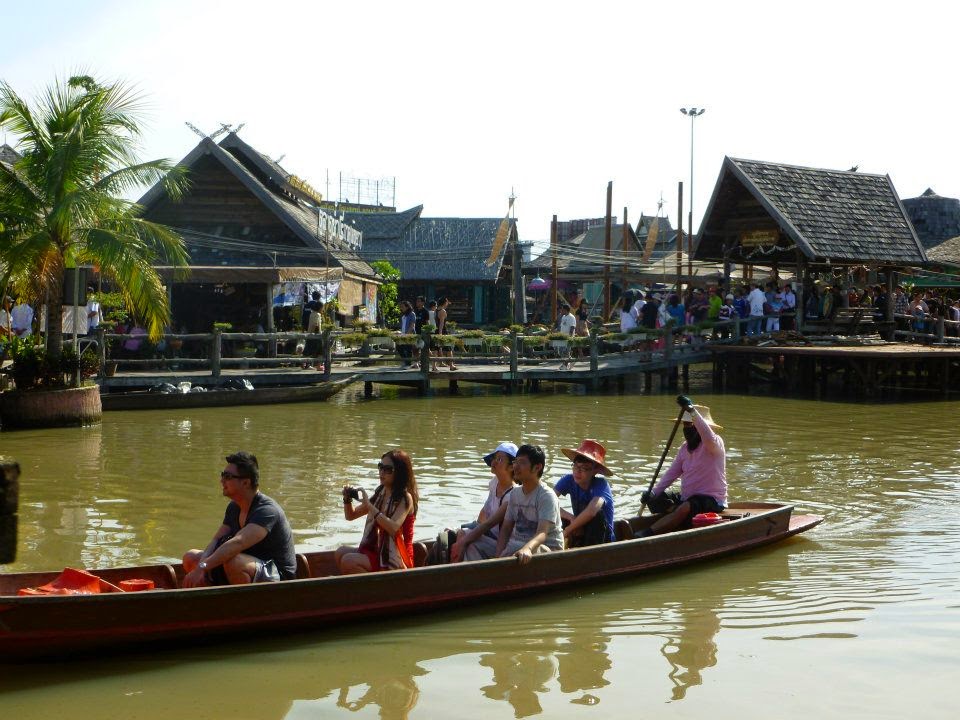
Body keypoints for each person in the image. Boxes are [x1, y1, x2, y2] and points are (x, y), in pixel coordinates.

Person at [182, 451, 296, 587]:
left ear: (246, 483)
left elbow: (238, 543)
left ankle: (241, 600)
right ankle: (211, 596)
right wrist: (201, 565)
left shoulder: (267, 511)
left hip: (278, 576)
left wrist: (203, 567)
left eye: (228, 476)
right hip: (246, 564)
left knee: (233, 562)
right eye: (223, 475)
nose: (222, 480)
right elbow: (216, 540)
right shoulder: (234, 507)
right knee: (191, 557)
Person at [455, 444, 563, 564]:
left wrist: (527, 548)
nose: (516, 466)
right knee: (472, 544)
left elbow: (542, 533)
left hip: (546, 549)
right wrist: (498, 557)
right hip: (517, 546)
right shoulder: (515, 494)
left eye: (522, 462)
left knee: (520, 549)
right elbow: (506, 529)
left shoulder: (546, 495)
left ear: (537, 467)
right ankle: (479, 573)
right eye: (516, 462)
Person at [640, 396, 727, 536]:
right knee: (655, 499)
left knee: (687, 506)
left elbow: (707, 435)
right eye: (685, 425)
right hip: (688, 498)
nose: (687, 429)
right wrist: (653, 493)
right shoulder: (684, 448)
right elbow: (671, 474)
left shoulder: (715, 444)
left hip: (712, 501)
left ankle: (647, 533)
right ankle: (677, 515)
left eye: (691, 425)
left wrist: (692, 411)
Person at [336, 449, 419, 573]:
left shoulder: (405, 498)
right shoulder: (380, 493)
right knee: (340, 552)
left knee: (348, 561)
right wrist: (347, 499)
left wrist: (369, 506)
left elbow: (393, 527)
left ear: (399, 473)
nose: (382, 472)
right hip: (378, 551)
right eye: (380, 467)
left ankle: (376, 585)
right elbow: (351, 516)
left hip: (398, 558)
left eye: (388, 469)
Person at [449, 442, 518, 562]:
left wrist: (466, 540)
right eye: (494, 458)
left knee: (468, 542)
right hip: (489, 534)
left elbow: (489, 524)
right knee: (456, 533)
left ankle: (460, 569)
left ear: (511, 467)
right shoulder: (495, 482)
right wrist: (472, 528)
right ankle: (454, 566)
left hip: (501, 542)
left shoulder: (512, 495)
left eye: (499, 459)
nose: (493, 462)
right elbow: (484, 512)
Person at [554, 439, 615, 547]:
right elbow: (548, 500)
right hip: (579, 531)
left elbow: (592, 511)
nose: (578, 471)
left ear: (595, 471)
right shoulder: (568, 480)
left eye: (585, 468)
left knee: (598, 515)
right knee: (555, 513)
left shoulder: (601, 485)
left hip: (601, 539)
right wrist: (571, 518)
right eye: (576, 466)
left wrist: (568, 530)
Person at [434, 296, 457, 370]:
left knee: (436, 349)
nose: (447, 304)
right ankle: (451, 365)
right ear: (444, 303)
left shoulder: (436, 310)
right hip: (442, 331)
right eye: (447, 302)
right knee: (449, 349)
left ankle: (434, 366)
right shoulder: (443, 311)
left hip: (436, 330)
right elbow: (441, 323)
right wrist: (440, 334)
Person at [398, 300, 418, 367]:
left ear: (407, 307)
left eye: (402, 307)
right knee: (399, 347)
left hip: (409, 334)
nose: (401, 308)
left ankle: (408, 363)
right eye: (401, 307)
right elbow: (403, 325)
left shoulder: (412, 314)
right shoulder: (403, 315)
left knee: (408, 348)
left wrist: (407, 334)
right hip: (403, 334)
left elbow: (412, 325)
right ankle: (406, 361)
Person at [558, 302, 576, 369]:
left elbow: (572, 327)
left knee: (566, 351)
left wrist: (569, 337)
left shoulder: (571, 317)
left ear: (565, 310)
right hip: (562, 337)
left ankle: (565, 365)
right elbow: (562, 326)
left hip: (568, 337)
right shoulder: (563, 317)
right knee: (560, 351)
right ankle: (571, 361)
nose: (561, 310)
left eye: (562, 309)